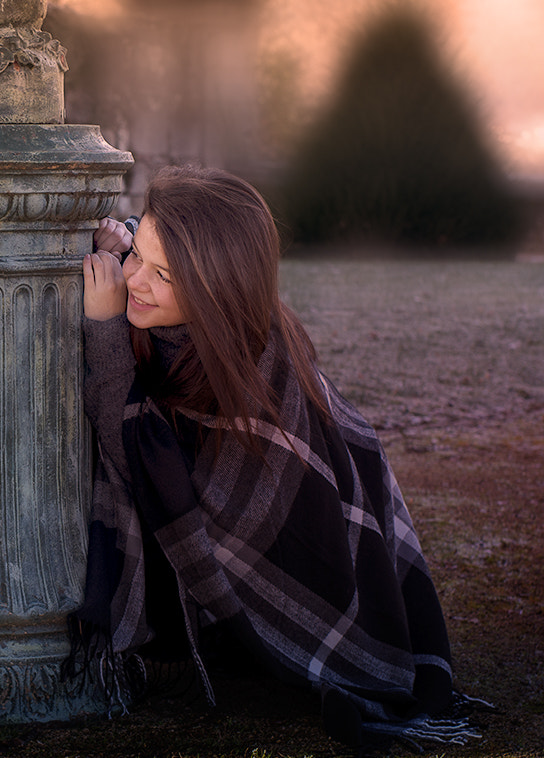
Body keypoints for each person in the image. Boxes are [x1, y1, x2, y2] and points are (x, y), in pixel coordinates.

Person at [70, 164, 481, 749]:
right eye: (138, 253)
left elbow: (143, 461)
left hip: (303, 548)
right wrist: (119, 244)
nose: (135, 279)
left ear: (218, 288)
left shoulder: (252, 363)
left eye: (161, 274)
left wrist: (106, 328)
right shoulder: (169, 306)